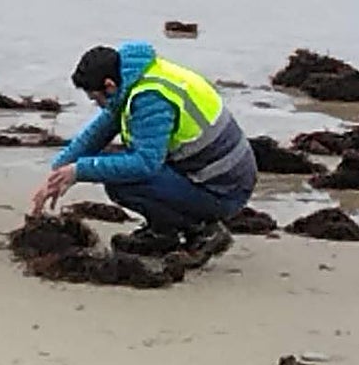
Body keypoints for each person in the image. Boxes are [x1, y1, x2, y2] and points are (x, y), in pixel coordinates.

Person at [31, 41, 257, 263]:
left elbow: (145, 164)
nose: (98, 105)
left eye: (96, 99)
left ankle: (203, 231)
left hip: (224, 189)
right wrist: (59, 169)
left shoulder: (151, 99)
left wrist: (79, 170)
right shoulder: (134, 76)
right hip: (215, 174)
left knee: (122, 182)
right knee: (117, 168)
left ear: (109, 86)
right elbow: (100, 130)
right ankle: (163, 232)